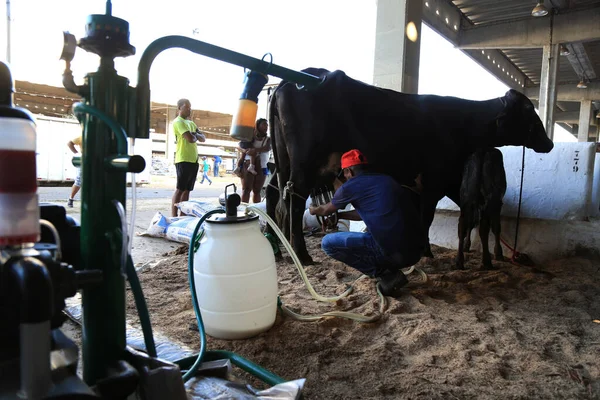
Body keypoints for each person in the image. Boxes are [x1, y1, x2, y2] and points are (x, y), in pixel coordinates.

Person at [309, 149, 425, 297]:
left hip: (394, 254)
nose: (344, 177)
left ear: (349, 171)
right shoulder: (387, 180)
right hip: (415, 253)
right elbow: (364, 214)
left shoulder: (349, 186)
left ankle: (386, 274)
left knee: (328, 243)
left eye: (343, 173)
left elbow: (325, 210)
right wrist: (340, 215)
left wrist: (313, 210)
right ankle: (389, 268)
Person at [171, 98, 206, 217]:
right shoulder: (178, 122)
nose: (189, 110)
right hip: (183, 159)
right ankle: (174, 216)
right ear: (179, 108)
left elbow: (203, 138)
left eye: (190, 107)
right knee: (180, 189)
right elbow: (190, 139)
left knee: (187, 190)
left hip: (193, 159)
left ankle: (183, 215)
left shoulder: (191, 123)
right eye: (187, 107)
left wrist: (195, 134)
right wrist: (195, 135)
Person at [238, 118, 271, 203]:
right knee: (246, 190)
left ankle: (256, 211)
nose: (266, 126)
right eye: (264, 124)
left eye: (267, 125)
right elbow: (240, 146)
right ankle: (244, 211)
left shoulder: (268, 139)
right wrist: (246, 151)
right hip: (248, 164)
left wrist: (255, 150)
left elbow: (267, 148)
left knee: (257, 191)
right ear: (257, 125)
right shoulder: (249, 136)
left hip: (262, 166)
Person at [67, 135, 83, 208]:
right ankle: (71, 198)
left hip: (94, 159)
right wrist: (77, 154)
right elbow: (70, 143)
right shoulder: (81, 136)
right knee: (79, 180)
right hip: (83, 159)